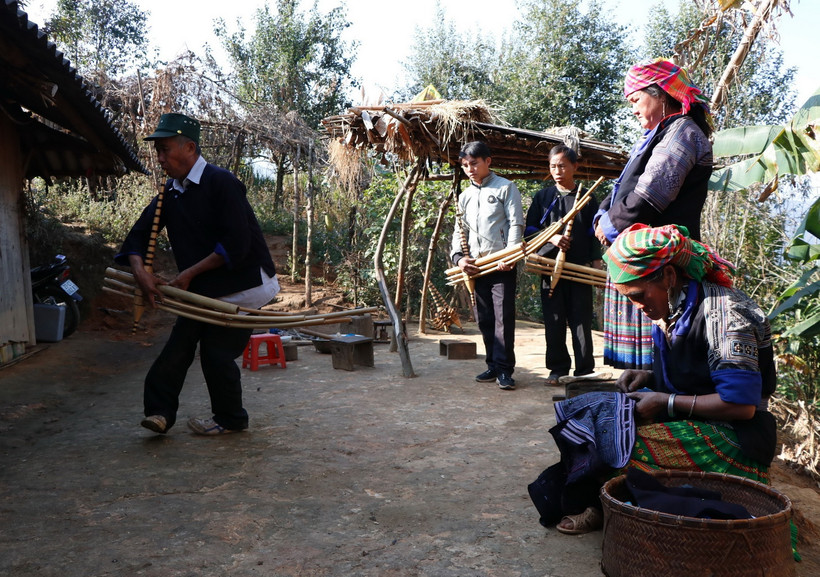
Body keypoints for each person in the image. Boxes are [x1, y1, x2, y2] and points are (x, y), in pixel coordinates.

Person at [528, 223, 776, 535]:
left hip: (736, 436)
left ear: (669, 277)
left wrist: (665, 400)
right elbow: (698, 375)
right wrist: (650, 376)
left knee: (621, 446)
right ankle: (602, 501)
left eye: (638, 295)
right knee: (590, 423)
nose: (638, 307)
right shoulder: (672, 308)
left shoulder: (726, 315)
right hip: (695, 418)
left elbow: (741, 406)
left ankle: (606, 505)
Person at [115, 112, 279, 436]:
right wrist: (141, 272)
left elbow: (236, 244)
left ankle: (231, 419)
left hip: (242, 286)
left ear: (189, 148)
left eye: (165, 150)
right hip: (203, 288)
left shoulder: (222, 182)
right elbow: (137, 237)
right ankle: (160, 413)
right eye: (157, 152)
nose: (159, 159)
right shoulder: (170, 194)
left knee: (216, 353)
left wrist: (189, 273)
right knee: (180, 344)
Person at [593, 58, 714, 370]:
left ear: (660, 94)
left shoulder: (683, 131)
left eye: (635, 100)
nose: (633, 109)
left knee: (662, 349)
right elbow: (625, 186)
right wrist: (601, 215)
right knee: (642, 362)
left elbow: (651, 194)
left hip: (661, 263)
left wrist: (611, 223)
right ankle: (644, 392)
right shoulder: (658, 133)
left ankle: (662, 398)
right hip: (643, 257)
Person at [524, 145, 603, 386]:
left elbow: (593, 234)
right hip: (549, 266)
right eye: (553, 166)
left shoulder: (587, 197)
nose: (557, 171)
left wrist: (597, 263)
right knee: (554, 319)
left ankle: (584, 370)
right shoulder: (543, 197)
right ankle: (557, 368)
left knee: (581, 319)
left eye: (562, 166)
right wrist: (552, 237)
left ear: (574, 166)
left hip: (579, 267)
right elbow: (529, 231)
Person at [451, 141, 524, 390]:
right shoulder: (465, 196)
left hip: (502, 264)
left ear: (487, 161)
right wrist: (459, 258)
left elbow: (516, 224)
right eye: (465, 165)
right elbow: (457, 230)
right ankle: (492, 365)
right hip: (476, 267)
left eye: (474, 163)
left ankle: (505, 370)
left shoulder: (506, 187)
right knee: (484, 319)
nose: (470, 169)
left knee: (503, 319)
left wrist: (511, 255)